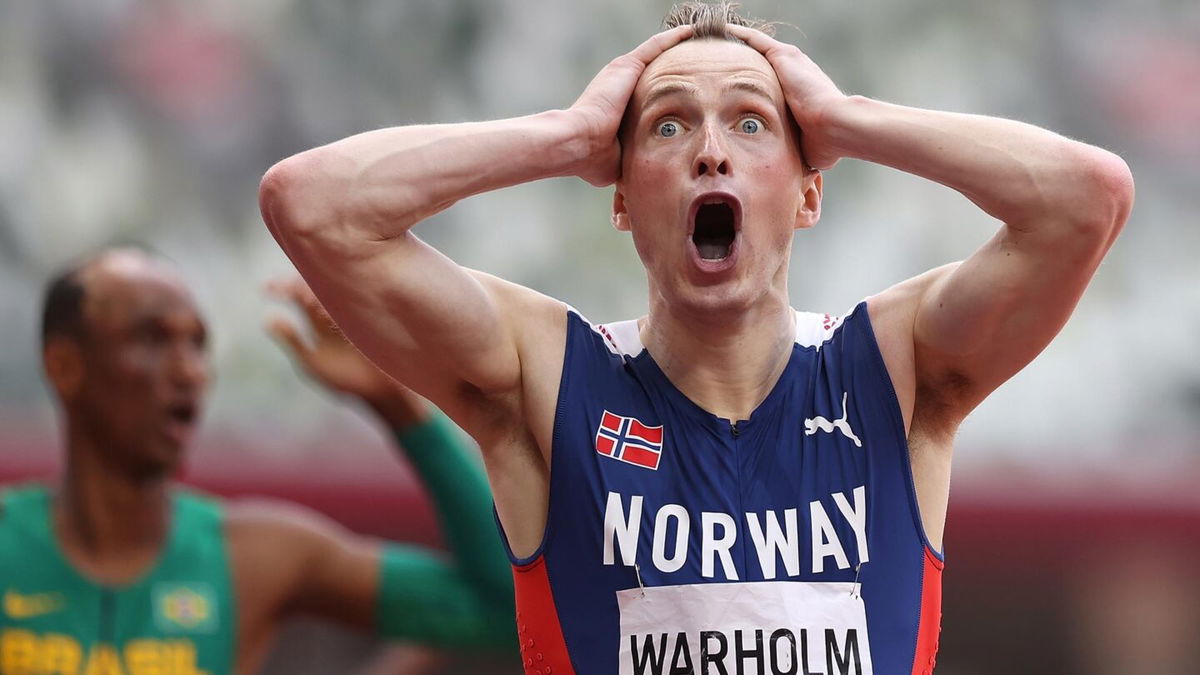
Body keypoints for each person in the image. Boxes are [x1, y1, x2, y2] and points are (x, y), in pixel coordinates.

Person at [257, 2, 1133, 673]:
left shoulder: (895, 369)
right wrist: (563, 136)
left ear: (807, 194)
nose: (710, 151)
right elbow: (311, 204)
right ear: (623, 198)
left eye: (750, 123)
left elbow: (1086, 198)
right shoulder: (550, 376)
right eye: (668, 125)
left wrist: (846, 117)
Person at [0, 248, 515, 674]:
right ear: (64, 365)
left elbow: (504, 606)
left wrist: (399, 409)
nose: (190, 372)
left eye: (198, 344)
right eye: (152, 338)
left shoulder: (255, 556)